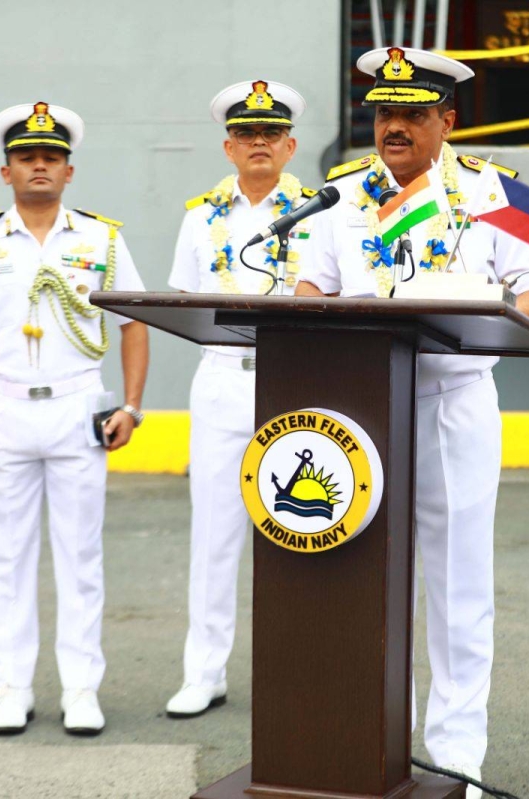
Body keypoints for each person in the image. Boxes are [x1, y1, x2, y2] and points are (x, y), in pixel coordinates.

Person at [296, 46, 529, 798]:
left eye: (412, 114)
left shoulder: (496, 194)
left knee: (456, 588)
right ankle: (371, 746)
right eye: (384, 114)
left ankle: (454, 757)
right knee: (359, 584)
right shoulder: (339, 199)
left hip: (451, 405)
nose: (394, 127)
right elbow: (309, 288)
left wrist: (479, 309)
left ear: (448, 120)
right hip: (358, 409)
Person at [0, 102, 149, 736]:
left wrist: (131, 405)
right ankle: (12, 685)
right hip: (3, 411)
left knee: (80, 555)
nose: (40, 166)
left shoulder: (102, 239)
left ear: (69, 170)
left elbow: (134, 322)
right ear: (7, 172)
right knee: (9, 553)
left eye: (51, 157)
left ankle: (81, 688)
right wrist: (1, 375)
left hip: (79, 405)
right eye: (27, 157)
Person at [164, 80, 316, 718]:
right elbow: (181, 300)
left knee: (303, 528)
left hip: (298, 375)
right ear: (229, 148)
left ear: (290, 145)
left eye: (270, 135)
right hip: (224, 377)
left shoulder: (319, 211)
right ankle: (205, 672)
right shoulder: (200, 217)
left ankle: (301, 668)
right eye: (247, 135)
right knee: (216, 530)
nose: (259, 144)